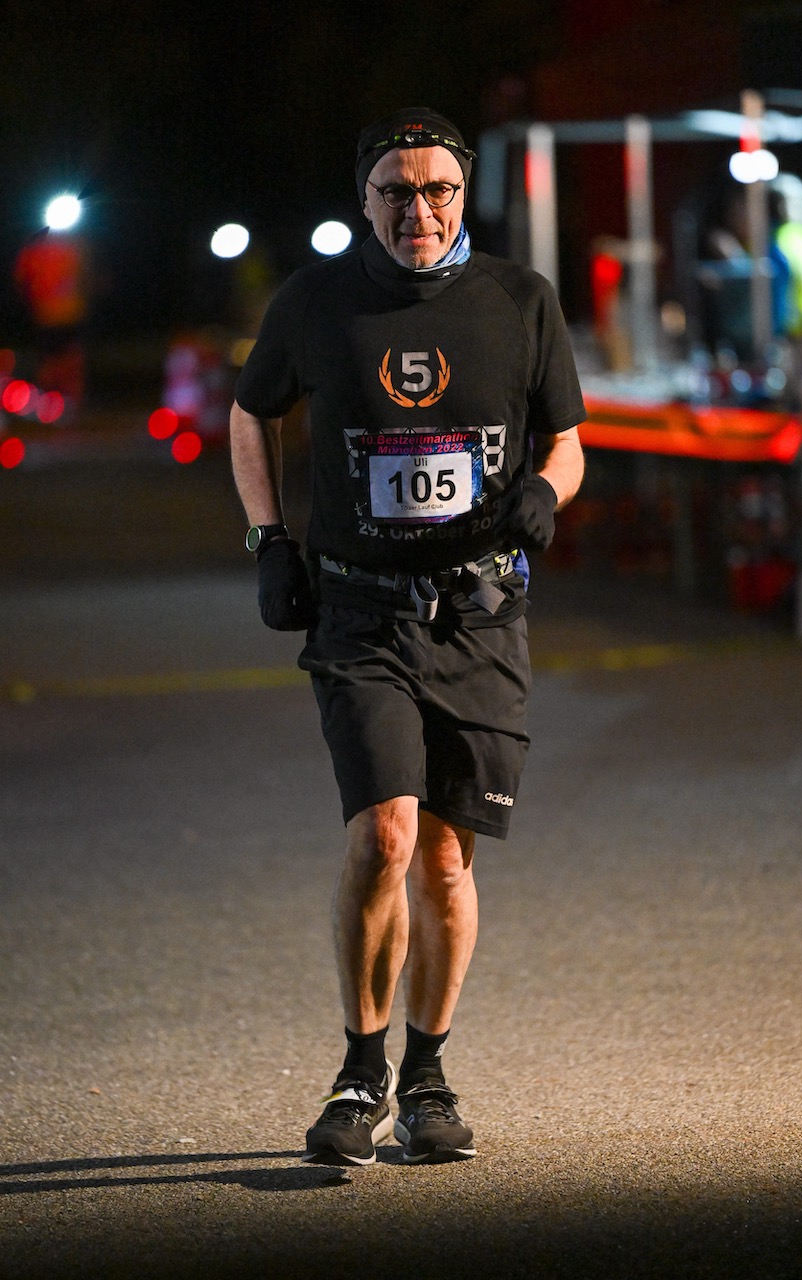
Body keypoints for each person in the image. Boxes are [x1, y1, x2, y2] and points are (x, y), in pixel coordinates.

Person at [229, 107, 586, 1167]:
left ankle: (427, 1073)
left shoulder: (519, 301)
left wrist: (543, 495)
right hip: (360, 609)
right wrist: (267, 537)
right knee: (384, 832)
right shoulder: (316, 301)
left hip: (476, 615)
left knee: (440, 858)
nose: (416, 209)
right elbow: (253, 413)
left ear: (461, 193)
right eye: (395, 190)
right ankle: (357, 1068)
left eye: (435, 189)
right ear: (365, 197)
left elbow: (566, 439)